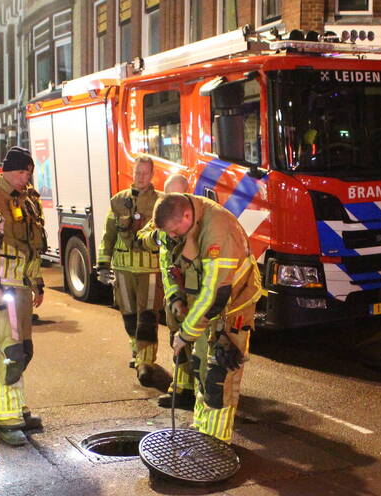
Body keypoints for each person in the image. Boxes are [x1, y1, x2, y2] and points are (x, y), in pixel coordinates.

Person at [153, 193, 262, 442]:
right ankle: (202, 429)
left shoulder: (219, 230)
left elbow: (215, 294)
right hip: (204, 305)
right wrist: (175, 298)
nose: (172, 236)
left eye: (173, 231)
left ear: (188, 216)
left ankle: (217, 442)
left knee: (219, 376)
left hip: (233, 307)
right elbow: (168, 263)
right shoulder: (175, 226)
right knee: (201, 367)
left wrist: (185, 333)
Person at [0, 146, 47, 447]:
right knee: (8, 355)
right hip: (1, 289)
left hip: (21, 287)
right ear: (8, 170)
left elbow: (31, 246)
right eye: (22, 172)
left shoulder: (25, 199)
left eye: (29, 173)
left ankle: (17, 409)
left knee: (24, 351)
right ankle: (6, 421)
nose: (26, 177)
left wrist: (37, 282)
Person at [96, 156, 163, 387]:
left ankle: (146, 362)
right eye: (137, 172)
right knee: (129, 316)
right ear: (132, 173)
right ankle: (137, 351)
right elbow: (109, 235)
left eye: (145, 173)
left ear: (152, 174)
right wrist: (103, 265)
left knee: (147, 317)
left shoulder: (160, 202)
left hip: (150, 270)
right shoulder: (118, 201)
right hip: (123, 269)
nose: (141, 177)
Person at [139, 173, 196, 410]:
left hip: (194, 293)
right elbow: (143, 238)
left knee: (196, 341)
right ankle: (182, 390)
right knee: (177, 340)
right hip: (174, 290)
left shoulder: (194, 221)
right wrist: (155, 236)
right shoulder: (164, 217)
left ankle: (198, 392)